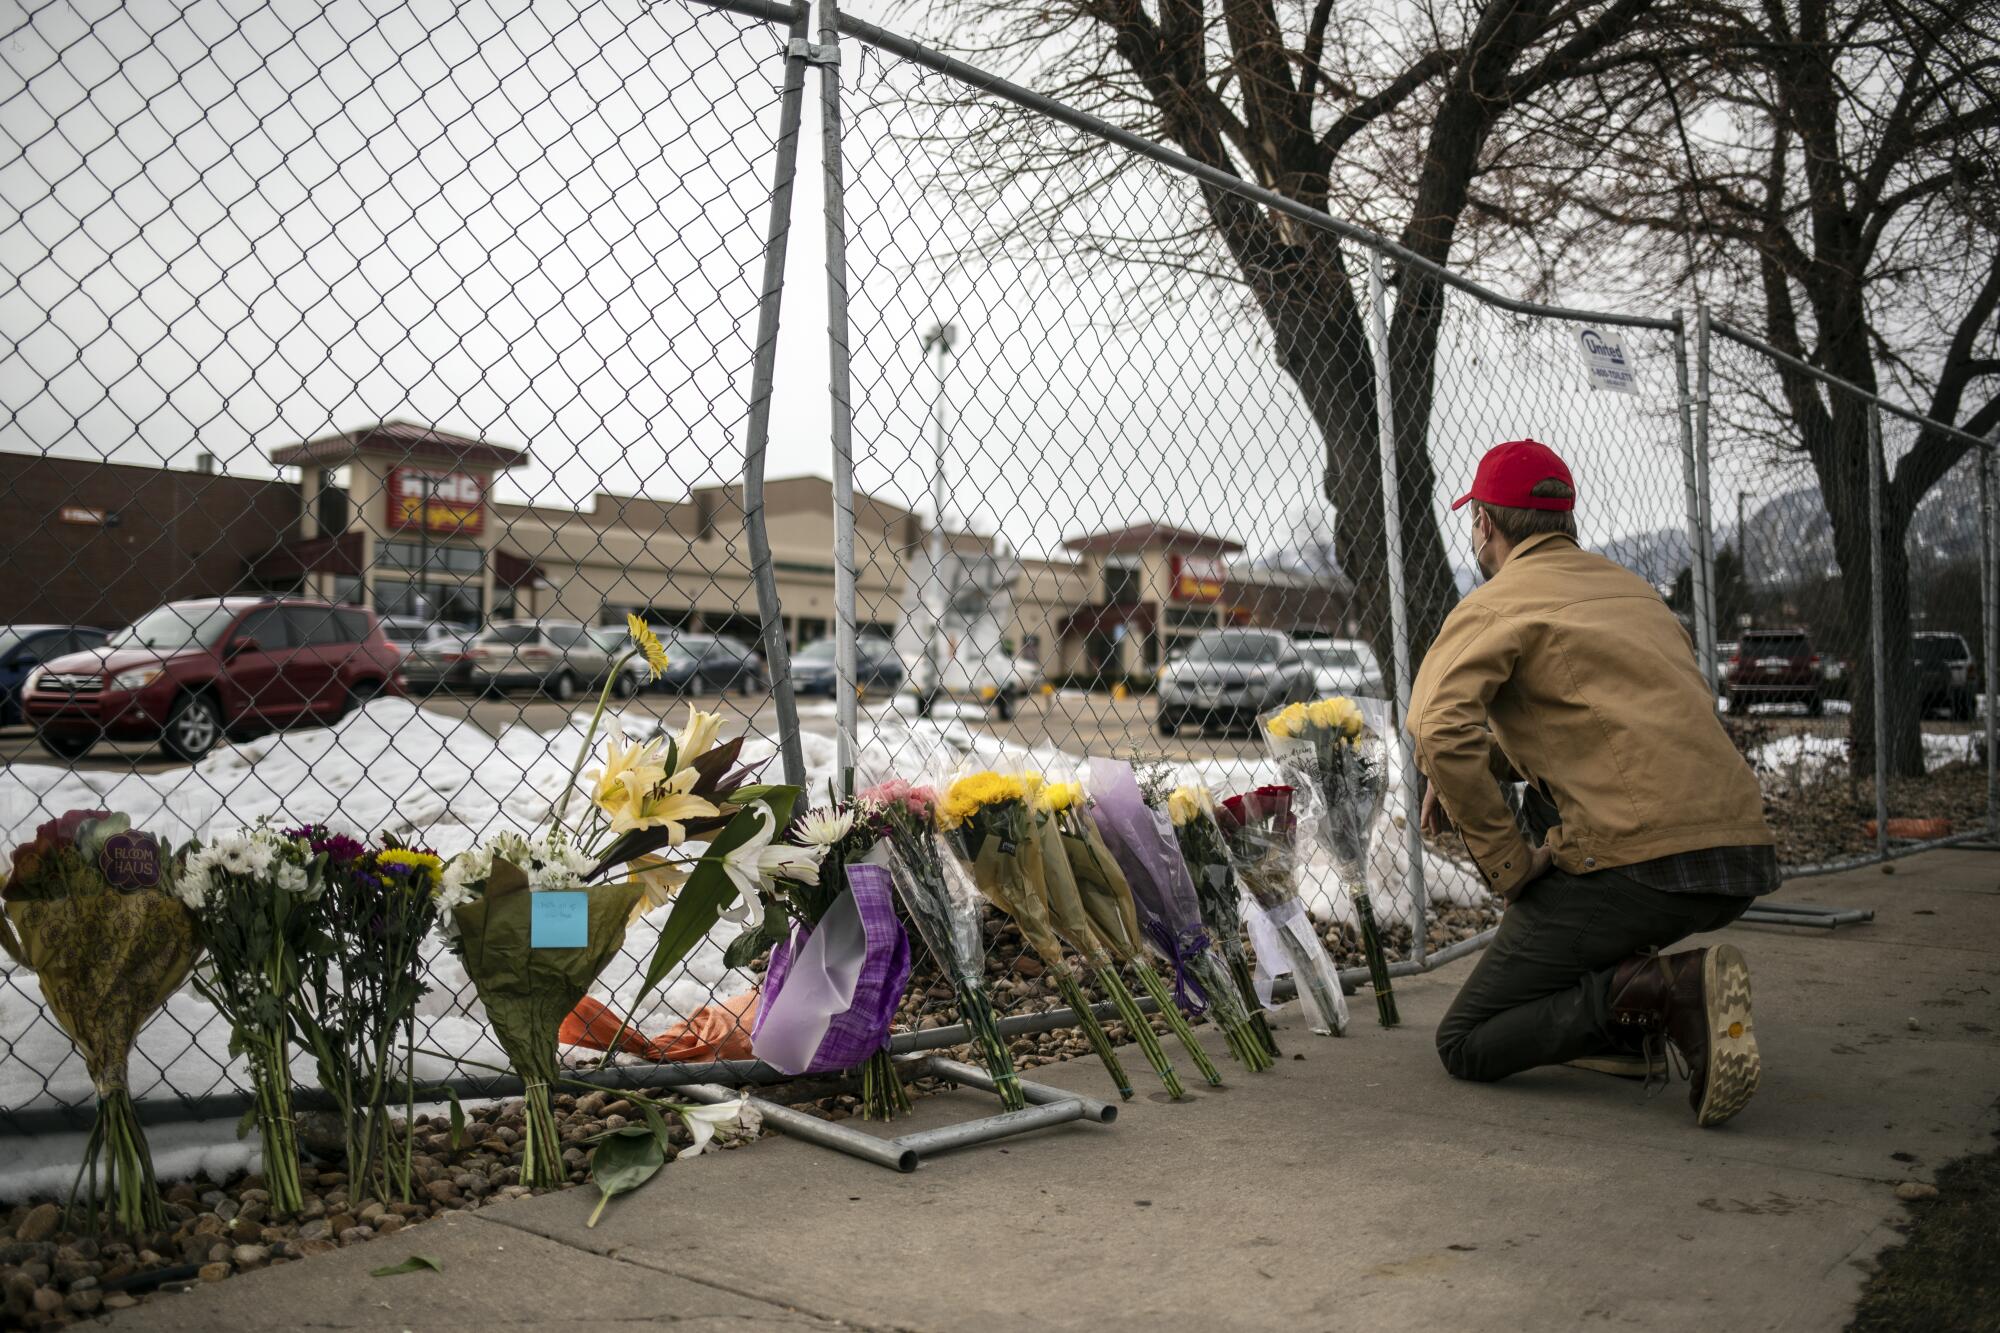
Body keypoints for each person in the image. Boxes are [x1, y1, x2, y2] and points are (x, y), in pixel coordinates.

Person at [1408, 438, 1776, 1127]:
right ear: (1565, 519)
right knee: (1559, 811)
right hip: (1737, 857)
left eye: (1475, 524)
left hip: (1642, 864)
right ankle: (1631, 1027)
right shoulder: (1631, 592)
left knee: (1467, 1040)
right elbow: (1603, 730)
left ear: (1484, 524)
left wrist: (1510, 866)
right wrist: (1481, 763)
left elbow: (1434, 725)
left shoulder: (1498, 602)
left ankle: (1669, 991)